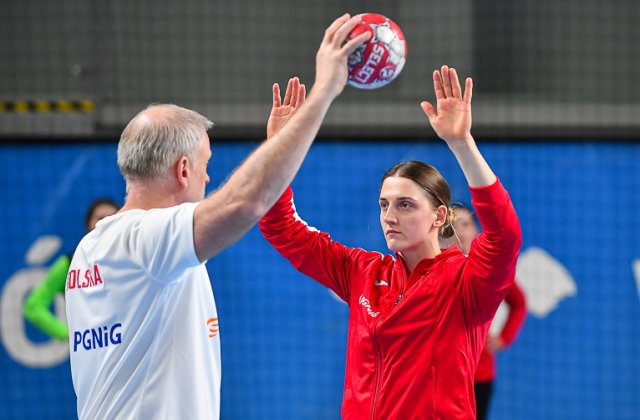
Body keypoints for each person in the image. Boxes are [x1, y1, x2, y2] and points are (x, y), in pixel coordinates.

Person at [64, 14, 372, 420]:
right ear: (183, 170)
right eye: (206, 165)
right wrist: (323, 95)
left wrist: (280, 144)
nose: (209, 177)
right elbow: (244, 203)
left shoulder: (93, 246)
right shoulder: (145, 239)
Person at [259, 65, 522, 419]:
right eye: (384, 204)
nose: (389, 216)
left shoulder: (466, 282)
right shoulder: (362, 271)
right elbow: (280, 226)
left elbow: (504, 236)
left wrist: (462, 144)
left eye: (405, 205)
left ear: (439, 216)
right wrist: (278, 148)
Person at [452, 204, 527, 420]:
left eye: (465, 224)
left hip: (478, 374)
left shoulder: (489, 270)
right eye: (453, 225)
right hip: (440, 374)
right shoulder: (432, 267)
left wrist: (505, 336)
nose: (460, 231)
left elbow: (519, 303)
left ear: (477, 230)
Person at [23, 198, 119, 340]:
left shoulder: (134, 260)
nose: (105, 224)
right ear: (88, 224)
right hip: (91, 350)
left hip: (127, 346)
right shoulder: (69, 263)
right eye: (100, 219)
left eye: (112, 219)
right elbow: (33, 306)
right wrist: (68, 334)